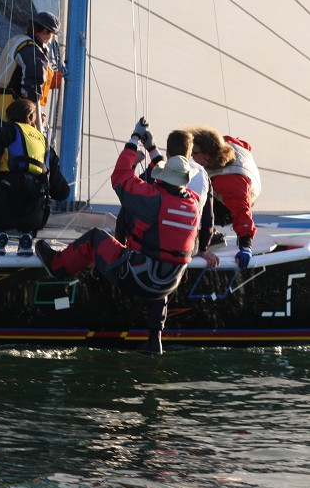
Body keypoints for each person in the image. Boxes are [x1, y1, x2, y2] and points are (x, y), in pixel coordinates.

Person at [34, 120, 201, 355]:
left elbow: (121, 176)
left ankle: (56, 265)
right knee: (159, 263)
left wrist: (134, 140)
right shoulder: (193, 202)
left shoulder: (151, 198)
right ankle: (155, 339)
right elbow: (165, 175)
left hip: (137, 279)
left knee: (95, 237)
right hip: (168, 284)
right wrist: (152, 148)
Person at [0, 98, 63, 257]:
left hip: (3, 209)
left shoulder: (3, 134)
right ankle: (27, 235)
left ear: (8, 117)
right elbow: (61, 192)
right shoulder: (44, 143)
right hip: (35, 215)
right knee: (37, 202)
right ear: (32, 119)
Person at [115, 129, 219, 267]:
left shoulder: (161, 178)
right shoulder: (202, 175)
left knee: (130, 205)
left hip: (154, 248)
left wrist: (134, 157)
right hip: (188, 250)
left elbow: (129, 190)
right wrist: (203, 249)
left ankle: (120, 247)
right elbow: (208, 219)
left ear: (168, 153)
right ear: (190, 152)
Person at [188, 126, 260, 269]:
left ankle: (205, 236)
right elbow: (246, 145)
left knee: (191, 195)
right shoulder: (225, 143)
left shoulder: (228, 182)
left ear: (207, 156)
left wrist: (246, 247)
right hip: (240, 187)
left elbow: (242, 212)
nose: (191, 156)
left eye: (195, 153)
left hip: (232, 205)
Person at [0, 11, 61, 129]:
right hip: (16, 114)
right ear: (44, 31)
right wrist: (38, 127)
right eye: (53, 35)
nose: (51, 40)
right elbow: (32, 92)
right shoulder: (33, 52)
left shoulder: (18, 40)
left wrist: (36, 114)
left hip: (2, 110)